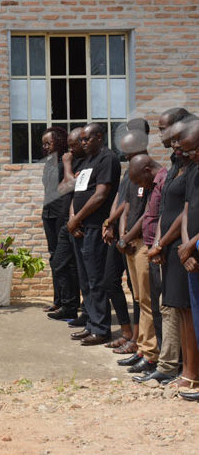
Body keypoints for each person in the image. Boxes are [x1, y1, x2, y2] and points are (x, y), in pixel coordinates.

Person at [139, 117, 198, 385]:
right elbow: (182, 209)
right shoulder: (184, 168)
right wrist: (173, 243)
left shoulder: (191, 168)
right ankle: (184, 371)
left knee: (187, 309)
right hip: (180, 248)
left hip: (186, 248)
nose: (178, 147)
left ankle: (189, 372)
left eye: (182, 142)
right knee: (181, 310)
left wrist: (188, 244)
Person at [67, 123, 121, 345]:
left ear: (100, 137)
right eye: (81, 140)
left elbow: (100, 195)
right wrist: (73, 219)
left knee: (96, 279)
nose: (83, 143)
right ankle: (90, 323)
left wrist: (77, 219)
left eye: (87, 139)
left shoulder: (107, 159)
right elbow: (77, 193)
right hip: (79, 227)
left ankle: (101, 329)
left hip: (95, 228)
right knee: (85, 280)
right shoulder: (86, 161)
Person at [102, 122, 149, 353]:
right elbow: (123, 200)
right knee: (110, 282)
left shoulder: (146, 168)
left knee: (138, 292)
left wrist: (127, 235)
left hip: (136, 240)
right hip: (121, 236)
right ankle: (127, 332)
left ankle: (139, 340)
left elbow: (143, 210)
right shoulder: (129, 168)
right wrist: (112, 224)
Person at [123, 154, 167, 374]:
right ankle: (142, 348)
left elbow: (155, 216)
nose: (139, 185)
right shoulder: (153, 182)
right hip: (139, 243)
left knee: (148, 301)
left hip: (148, 246)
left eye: (140, 180)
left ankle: (151, 353)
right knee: (140, 299)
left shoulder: (162, 181)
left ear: (147, 170)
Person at [48, 127, 84, 321]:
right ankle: (68, 305)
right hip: (66, 220)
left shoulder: (79, 163)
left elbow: (70, 183)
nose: (70, 150)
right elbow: (61, 188)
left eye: (74, 145)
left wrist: (67, 163)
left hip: (78, 222)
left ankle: (80, 309)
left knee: (77, 267)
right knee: (59, 262)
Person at [177, 120, 199, 400]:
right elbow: (186, 210)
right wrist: (186, 247)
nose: (190, 155)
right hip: (192, 256)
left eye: (194, 150)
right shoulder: (194, 173)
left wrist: (191, 244)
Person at [40, 126, 68, 314]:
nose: (46, 147)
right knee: (53, 257)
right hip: (48, 212)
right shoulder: (49, 162)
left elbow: (69, 183)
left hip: (61, 213)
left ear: (59, 141)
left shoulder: (67, 159)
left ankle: (68, 301)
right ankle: (57, 300)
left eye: (49, 143)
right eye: (44, 144)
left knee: (63, 258)